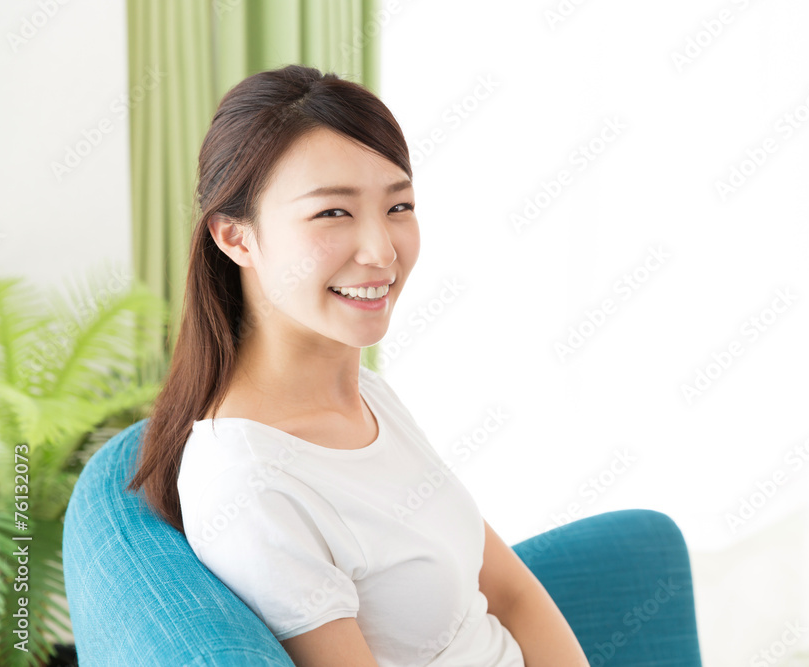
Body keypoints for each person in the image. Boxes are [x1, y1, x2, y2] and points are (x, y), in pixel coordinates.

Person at [125, 64, 589, 667]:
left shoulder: (367, 395)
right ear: (236, 238)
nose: (382, 250)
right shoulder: (251, 484)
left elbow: (512, 594)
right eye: (333, 213)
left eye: (399, 205)